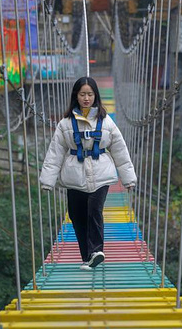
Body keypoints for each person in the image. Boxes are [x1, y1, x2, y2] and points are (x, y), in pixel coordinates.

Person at [40, 76, 137, 270]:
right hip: (74, 175)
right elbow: (55, 152)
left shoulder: (106, 122)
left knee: (94, 210)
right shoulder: (65, 124)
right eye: (82, 94)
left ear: (95, 96)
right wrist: (47, 180)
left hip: (101, 174)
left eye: (90, 94)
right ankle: (88, 257)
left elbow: (120, 150)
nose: (86, 98)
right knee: (77, 216)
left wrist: (128, 179)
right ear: (76, 96)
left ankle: (97, 251)